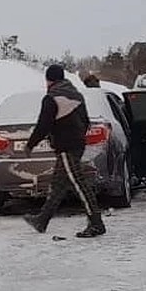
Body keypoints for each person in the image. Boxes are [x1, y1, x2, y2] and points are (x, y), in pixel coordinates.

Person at [23, 64, 106, 238]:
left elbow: (43, 125)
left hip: (66, 147)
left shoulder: (52, 98)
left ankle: (96, 223)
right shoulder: (76, 95)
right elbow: (85, 121)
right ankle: (42, 220)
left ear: (49, 80)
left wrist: (31, 144)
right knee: (58, 185)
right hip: (77, 144)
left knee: (79, 184)